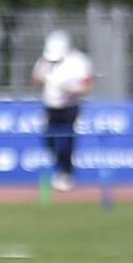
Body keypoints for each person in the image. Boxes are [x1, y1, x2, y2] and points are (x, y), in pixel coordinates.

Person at [30, 29, 92, 193]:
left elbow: (86, 86)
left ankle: (66, 174)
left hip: (69, 108)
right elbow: (35, 81)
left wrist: (70, 89)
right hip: (50, 107)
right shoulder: (45, 61)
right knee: (49, 141)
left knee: (66, 142)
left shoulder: (78, 61)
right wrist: (42, 76)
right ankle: (61, 172)